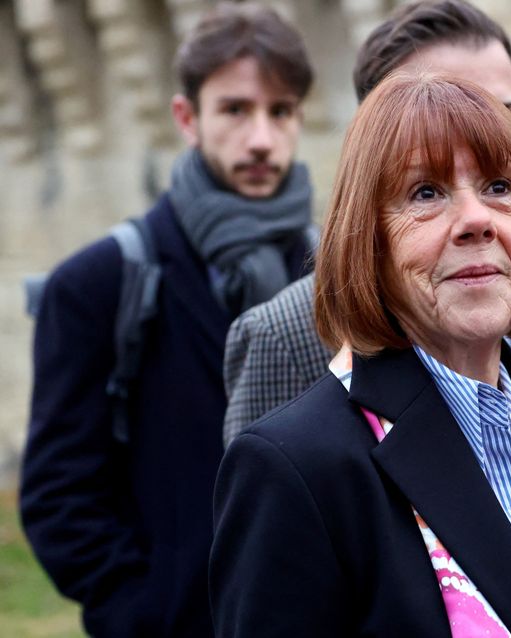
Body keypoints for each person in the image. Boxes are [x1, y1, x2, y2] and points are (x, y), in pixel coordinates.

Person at [220, 1, 511, 635]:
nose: (476, 218)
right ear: (366, 238)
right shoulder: (289, 464)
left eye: (500, 186)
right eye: (425, 192)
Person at [19, 4, 315, 636]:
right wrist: (145, 611)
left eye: (280, 111)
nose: (261, 137)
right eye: (235, 110)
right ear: (187, 118)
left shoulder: (336, 276)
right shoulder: (101, 282)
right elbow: (56, 497)